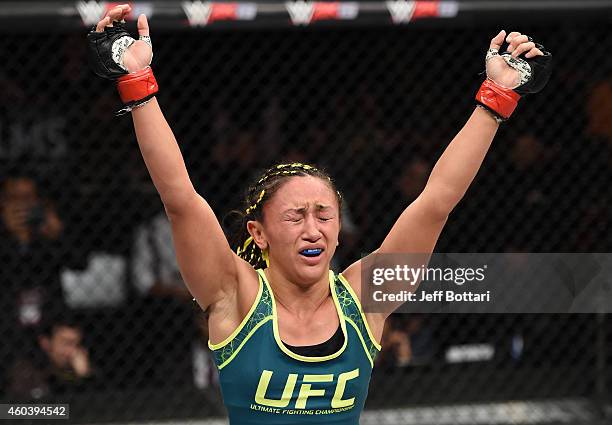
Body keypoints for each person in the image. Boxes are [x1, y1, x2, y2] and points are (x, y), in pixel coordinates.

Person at [87, 5, 552, 424]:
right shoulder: (233, 295)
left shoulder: (366, 297)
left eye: (324, 215)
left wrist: (496, 97)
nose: (314, 230)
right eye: (295, 216)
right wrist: (138, 83)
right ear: (258, 232)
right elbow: (180, 198)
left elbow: (437, 199)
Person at [7, 316, 95, 400]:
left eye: (77, 344)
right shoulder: (27, 371)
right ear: (46, 343)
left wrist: (84, 375)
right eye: (66, 343)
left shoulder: (79, 368)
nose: (73, 351)